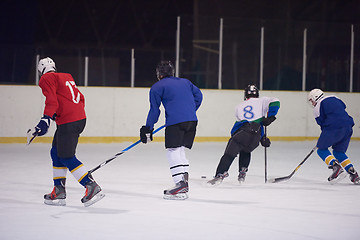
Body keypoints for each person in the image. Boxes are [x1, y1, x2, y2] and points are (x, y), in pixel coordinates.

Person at [29, 57, 105, 207]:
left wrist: (46, 119)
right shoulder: (66, 76)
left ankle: (91, 186)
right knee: (56, 152)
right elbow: (79, 98)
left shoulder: (46, 79)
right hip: (78, 118)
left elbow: (51, 101)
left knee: (66, 156)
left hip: (68, 121)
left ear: (41, 70)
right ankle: (59, 190)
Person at [140, 60, 203, 200]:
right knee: (180, 149)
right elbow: (199, 96)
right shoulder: (186, 82)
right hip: (192, 121)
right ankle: (184, 179)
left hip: (175, 122)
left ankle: (180, 184)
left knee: (172, 150)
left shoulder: (157, 87)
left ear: (159, 74)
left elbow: (154, 110)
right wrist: (190, 111)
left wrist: (148, 128)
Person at [207, 84, 280, 185]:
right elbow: (276, 101)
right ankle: (242, 173)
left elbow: (240, 125)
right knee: (246, 149)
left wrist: (233, 137)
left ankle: (219, 175)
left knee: (229, 154)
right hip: (255, 136)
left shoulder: (239, 106)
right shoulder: (263, 100)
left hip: (242, 133)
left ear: (245, 95)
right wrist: (270, 118)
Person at [308, 88, 359, 184]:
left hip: (334, 127)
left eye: (311, 100)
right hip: (348, 127)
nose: (312, 103)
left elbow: (323, 124)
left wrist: (322, 141)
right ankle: (353, 173)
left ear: (315, 97)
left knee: (321, 150)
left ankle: (335, 166)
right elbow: (343, 106)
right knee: (338, 152)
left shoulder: (317, 108)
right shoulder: (334, 97)